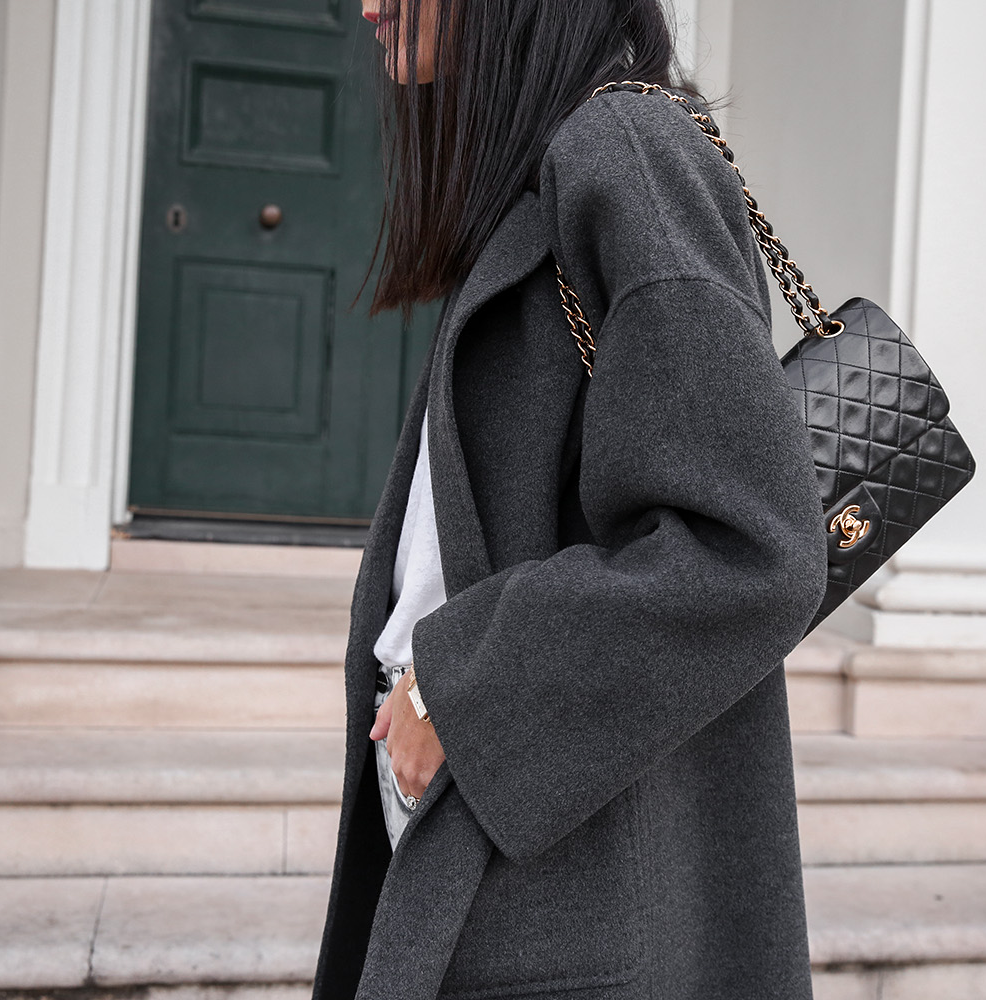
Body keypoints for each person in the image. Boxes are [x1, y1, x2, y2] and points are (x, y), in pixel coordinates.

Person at [311, 1, 828, 997]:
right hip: (512, 812)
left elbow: (749, 547)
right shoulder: (548, 170)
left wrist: (456, 691)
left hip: (549, 857)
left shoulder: (623, 152)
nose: (369, 6)